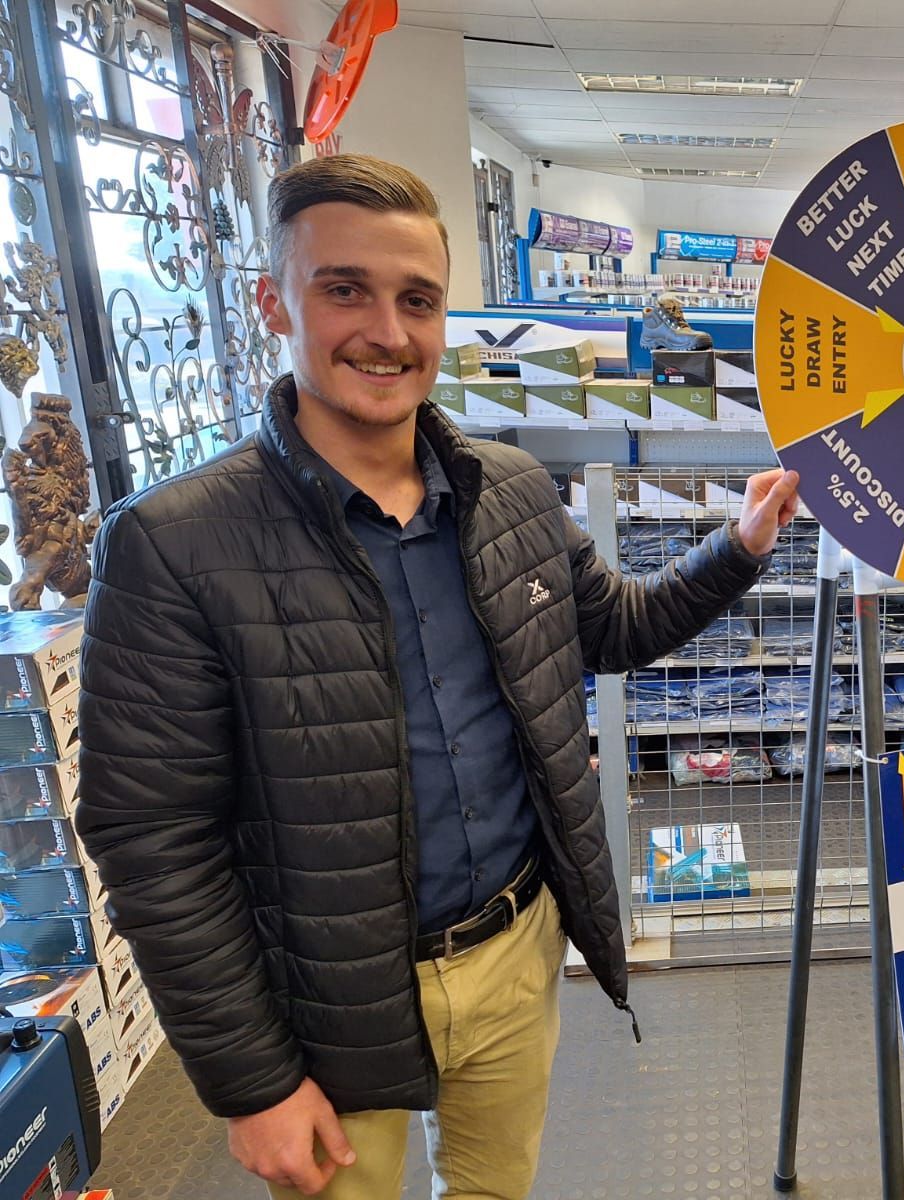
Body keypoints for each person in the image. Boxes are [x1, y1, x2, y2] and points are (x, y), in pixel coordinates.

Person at [75, 153, 800, 1199]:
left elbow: (613, 630)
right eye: (344, 289)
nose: (387, 330)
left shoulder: (507, 490)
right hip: (322, 998)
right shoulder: (173, 543)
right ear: (271, 302)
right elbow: (151, 837)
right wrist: (249, 1083)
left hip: (512, 955)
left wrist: (735, 548)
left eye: (417, 299)